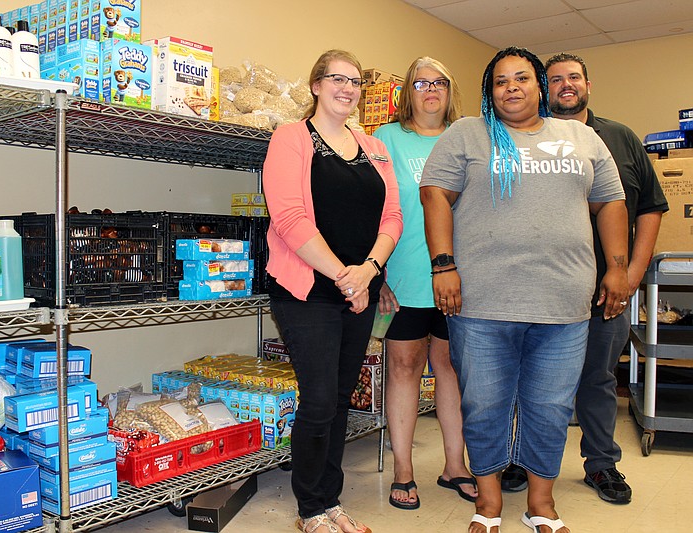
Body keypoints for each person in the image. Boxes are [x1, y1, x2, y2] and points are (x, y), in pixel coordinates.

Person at [420, 46, 629, 533]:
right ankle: (489, 504)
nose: (510, 87)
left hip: (564, 304)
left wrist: (616, 268)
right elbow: (435, 195)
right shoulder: (467, 134)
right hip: (483, 303)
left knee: (551, 406)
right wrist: (443, 264)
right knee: (485, 403)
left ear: (540, 86)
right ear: (489, 92)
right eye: (499, 81)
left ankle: (542, 503)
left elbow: (612, 203)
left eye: (521, 78)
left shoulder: (580, 137)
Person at [263, 49, 403, 533]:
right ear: (316, 85)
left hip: (360, 288)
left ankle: (331, 501)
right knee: (320, 399)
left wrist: (368, 270)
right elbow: (289, 217)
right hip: (308, 289)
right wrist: (347, 275)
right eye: (337, 78)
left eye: (356, 81)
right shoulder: (291, 138)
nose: (348, 88)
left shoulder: (373, 146)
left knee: (342, 398)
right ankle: (309, 509)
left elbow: (393, 217)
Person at [542, 52, 666, 504]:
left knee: (596, 378)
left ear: (588, 85)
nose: (566, 85)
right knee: (531, 380)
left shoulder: (621, 138)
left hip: (607, 290)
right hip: (544, 286)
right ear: (544, 89)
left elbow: (650, 207)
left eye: (573, 77)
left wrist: (630, 275)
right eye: (555, 80)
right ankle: (522, 459)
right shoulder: (525, 139)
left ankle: (600, 464)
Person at [373, 57, 477, 509]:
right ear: (406, 93)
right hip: (405, 276)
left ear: (450, 90)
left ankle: (456, 465)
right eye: (420, 82)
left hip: (460, 277)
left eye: (439, 82)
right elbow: (370, 207)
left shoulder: (470, 138)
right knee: (404, 369)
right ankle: (403, 470)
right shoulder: (387, 139)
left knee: (453, 369)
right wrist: (375, 273)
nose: (430, 90)